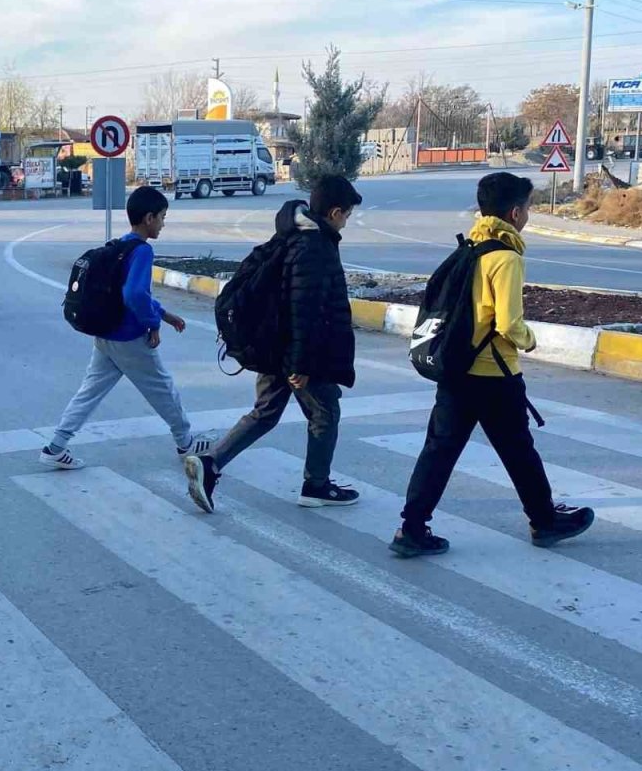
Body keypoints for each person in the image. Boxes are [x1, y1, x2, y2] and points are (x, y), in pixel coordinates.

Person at [389, 172, 594, 557]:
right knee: (519, 451)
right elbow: (509, 324)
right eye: (529, 208)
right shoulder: (506, 257)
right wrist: (531, 341)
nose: (529, 216)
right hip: (494, 374)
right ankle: (544, 520)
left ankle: (411, 528)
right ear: (516, 213)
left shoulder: (471, 246)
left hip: (455, 369)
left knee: (439, 451)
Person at [186, 175, 362, 513]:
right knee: (325, 413)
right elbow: (305, 309)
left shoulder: (291, 234)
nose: (347, 222)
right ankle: (316, 485)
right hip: (298, 352)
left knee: (265, 412)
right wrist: (301, 365)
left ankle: (210, 463)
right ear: (336, 212)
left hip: (276, 346)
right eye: (348, 215)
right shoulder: (315, 246)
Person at [40, 185, 211, 469]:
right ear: (148, 218)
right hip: (128, 337)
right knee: (163, 390)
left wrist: (165, 315)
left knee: (90, 391)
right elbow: (133, 294)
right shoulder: (142, 250)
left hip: (105, 334)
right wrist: (153, 324)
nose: (163, 224)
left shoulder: (120, 245)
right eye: (162, 217)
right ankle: (185, 443)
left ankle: (55, 446)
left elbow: (132, 293)